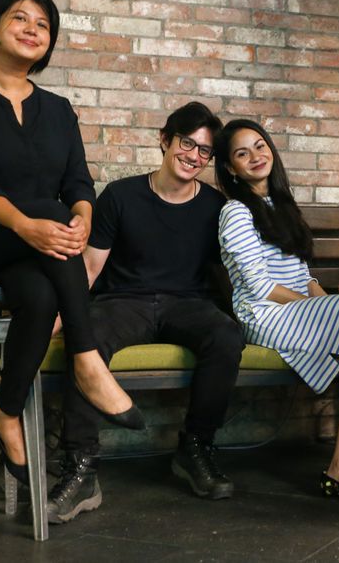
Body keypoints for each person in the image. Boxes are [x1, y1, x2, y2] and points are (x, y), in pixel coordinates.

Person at [0, 0, 144, 488]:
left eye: (43, 24)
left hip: (34, 247)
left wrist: (83, 216)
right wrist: (30, 223)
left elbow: (79, 183)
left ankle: (4, 410)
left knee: (41, 294)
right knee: (47, 209)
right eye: (20, 18)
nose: (32, 30)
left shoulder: (59, 109)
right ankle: (87, 359)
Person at [47, 102, 246, 524]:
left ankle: (195, 449)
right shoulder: (121, 195)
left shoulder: (216, 206)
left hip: (188, 304)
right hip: (125, 302)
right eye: (186, 143)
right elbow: (89, 267)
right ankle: (81, 468)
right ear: (164, 140)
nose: (194, 156)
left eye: (204, 151)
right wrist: (59, 317)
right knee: (89, 335)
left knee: (226, 335)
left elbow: (239, 267)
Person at [213, 119, 339, 504]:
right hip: (263, 316)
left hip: (294, 311)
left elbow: (303, 276)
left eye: (260, 146)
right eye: (242, 153)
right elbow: (260, 288)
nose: (255, 156)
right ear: (231, 168)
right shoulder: (235, 212)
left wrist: (325, 299)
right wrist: (325, 307)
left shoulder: (282, 207)